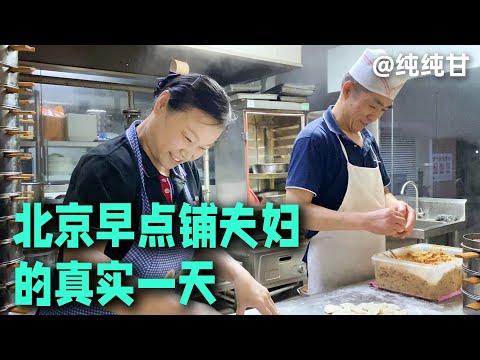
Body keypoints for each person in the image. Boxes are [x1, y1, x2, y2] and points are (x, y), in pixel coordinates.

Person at [37, 72, 279, 315]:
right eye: (187, 138)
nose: (190, 154)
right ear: (162, 104)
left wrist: (239, 275)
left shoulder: (186, 171)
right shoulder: (108, 167)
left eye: (203, 148)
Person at [285, 49, 416, 295]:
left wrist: (396, 206)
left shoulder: (367, 139)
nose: (375, 116)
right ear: (347, 90)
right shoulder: (315, 139)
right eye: (372, 105)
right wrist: (367, 221)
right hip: (331, 275)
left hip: (373, 270)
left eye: (383, 109)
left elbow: (383, 193)